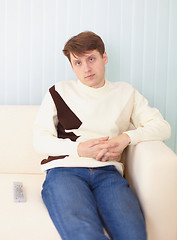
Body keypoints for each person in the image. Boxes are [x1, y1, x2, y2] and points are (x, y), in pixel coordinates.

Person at [33, 31, 171, 240]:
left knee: (133, 234)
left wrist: (126, 138)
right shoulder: (58, 91)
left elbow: (162, 127)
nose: (86, 68)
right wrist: (77, 149)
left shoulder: (126, 92)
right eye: (78, 63)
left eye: (91, 59)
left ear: (104, 57)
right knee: (84, 233)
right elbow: (40, 140)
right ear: (72, 66)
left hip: (108, 173)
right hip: (65, 171)